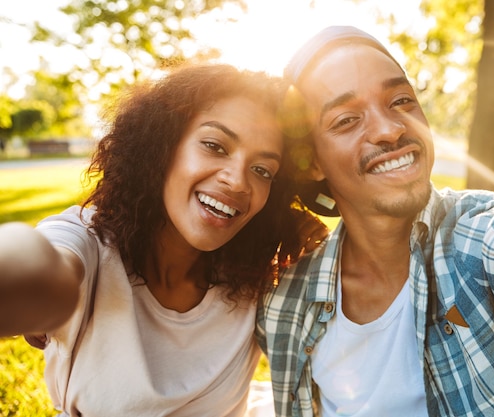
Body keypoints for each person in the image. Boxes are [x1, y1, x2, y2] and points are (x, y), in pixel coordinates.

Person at [255, 26, 494, 416]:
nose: (390, 129)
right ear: (311, 161)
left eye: (401, 100)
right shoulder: (284, 299)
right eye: (346, 120)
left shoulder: (483, 234)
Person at [0, 63, 326, 416]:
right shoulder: (91, 242)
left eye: (262, 170)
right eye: (215, 146)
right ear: (162, 146)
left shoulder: (258, 273)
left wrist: (291, 224)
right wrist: (33, 287)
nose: (237, 182)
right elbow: (43, 262)